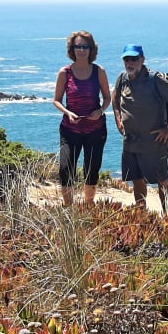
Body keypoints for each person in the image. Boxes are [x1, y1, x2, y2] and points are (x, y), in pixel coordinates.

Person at [112, 44, 168, 214]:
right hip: (130, 141)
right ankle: (141, 214)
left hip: (154, 142)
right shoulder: (122, 78)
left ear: (142, 59)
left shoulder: (155, 80)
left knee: (162, 180)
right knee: (137, 179)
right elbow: (115, 98)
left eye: (134, 59)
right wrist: (118, 120)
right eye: (127, 59)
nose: (130, 63)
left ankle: (167, 215)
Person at [53, 31, 112, 206]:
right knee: (66, 168)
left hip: (96, 129)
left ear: (91, 49)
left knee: (92, 169)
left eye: (85, 46)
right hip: (70, 129)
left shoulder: (99, 71)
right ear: (72, 49)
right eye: (77, 46)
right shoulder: (65, 72)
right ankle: (68, 207)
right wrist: (68, 113)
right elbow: (57, 100)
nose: (81, 50)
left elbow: (107, 97)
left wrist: (100, 111)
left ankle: (88, 205)